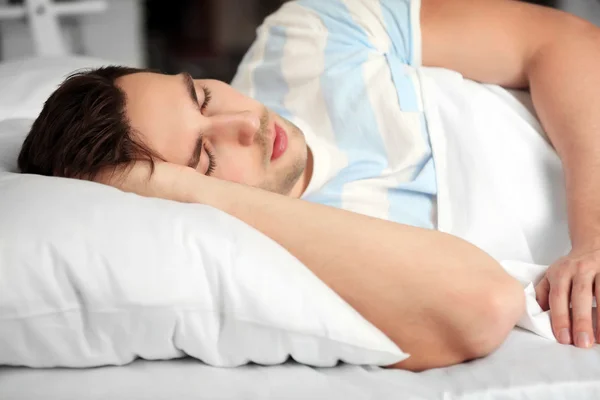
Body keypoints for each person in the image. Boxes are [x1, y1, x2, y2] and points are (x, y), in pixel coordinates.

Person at [16, 0, 600, 371]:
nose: (247, 124)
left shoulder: (306, 35)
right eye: (203, 157)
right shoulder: (278, 264)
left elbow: (560, 40)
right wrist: (194, 194)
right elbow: (484, 304)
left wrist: (592, 234)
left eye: (203, 96)